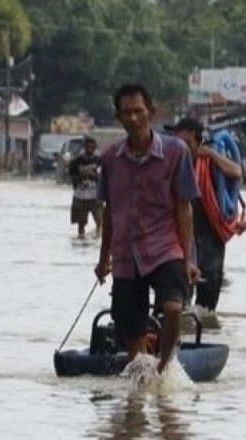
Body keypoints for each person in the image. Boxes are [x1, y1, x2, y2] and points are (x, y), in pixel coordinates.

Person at [94, 83, 201, 375]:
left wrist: (189, 258)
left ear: (150, 113)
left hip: (165, 247)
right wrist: (104, 260)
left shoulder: (176, 152)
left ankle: (165, 369)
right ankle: (139, 384)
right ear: (118, 117)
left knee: (174, 308)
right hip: (127, 254)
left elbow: (184, 207)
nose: (132, 118)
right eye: (125, 113)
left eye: (138, 111)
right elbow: (109, 212)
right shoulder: (111, 158)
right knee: (131, 328)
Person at [165, 117, 243, 328]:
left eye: (183, 139)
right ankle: (175, 333)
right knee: (176, 291)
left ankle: (203, 333)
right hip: (178, 233)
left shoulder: (209, 161)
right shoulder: (170, 161)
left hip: (210, 231)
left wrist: (209, 154)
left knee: (208, 293)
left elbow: (237, 172)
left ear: (194, 138)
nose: (178, 142)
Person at [69, 136, 103, 237]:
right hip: (80, 196)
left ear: (95, 148)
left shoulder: (99, 161)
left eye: (92, 148)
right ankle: (81, 239)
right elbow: (72, 177)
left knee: (99, 221)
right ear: (84, 147)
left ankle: (98, 239)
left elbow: (103, 177)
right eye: (88, 147)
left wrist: (93, 175)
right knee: (81, 223)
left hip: (96, 196)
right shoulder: (76, 162)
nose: (90, 150)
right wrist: (80, 176)